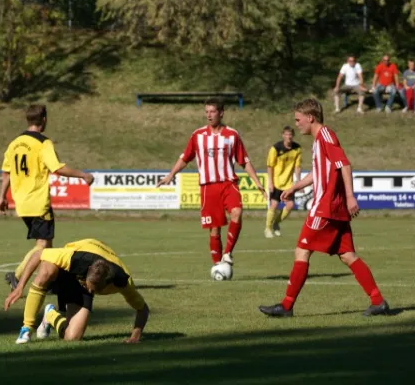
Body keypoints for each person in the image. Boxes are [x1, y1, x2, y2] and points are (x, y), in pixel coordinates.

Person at [258, 98, 389, 318]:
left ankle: (286, 305)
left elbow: (344, 164)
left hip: (326, 207)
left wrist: (349, 196)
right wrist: (295, 187)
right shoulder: (319, 141)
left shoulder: (326, 135)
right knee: (348, 255)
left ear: (310, 117)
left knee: (302, 250)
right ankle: (378, 301)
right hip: (333, 208)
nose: (297, 124)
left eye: (298, 120)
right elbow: (317, 173)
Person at [156, 98, 266, 273]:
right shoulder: (198, 135)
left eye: (212, 111)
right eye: (206, 111)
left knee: (237, 212)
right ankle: (217, 266)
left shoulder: (232, 135)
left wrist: (257, 182)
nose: (209, 115)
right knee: (214, 229)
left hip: (228, 183)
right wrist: (171, 175)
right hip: (208, 187)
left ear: (221, 113)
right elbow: (185, 157)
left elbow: (244, 161)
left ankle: (228, 253)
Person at [0, 104, 94, 291]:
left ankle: (48, 280)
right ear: (44, 119)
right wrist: (83, 175)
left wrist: (2, 197)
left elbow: (6, 173)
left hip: (21, 202)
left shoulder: (14, 143)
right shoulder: (43, 143)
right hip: (37, 201)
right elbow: (57, 168)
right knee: (43, 246)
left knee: (44, 244)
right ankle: (18, 276)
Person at [3, 238, 149, 344]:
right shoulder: (75, 259)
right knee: (47, 269)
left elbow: (143, 309)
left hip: (92, 270)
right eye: (86, 285)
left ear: (105, 285)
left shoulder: (123, 281)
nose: (87, 288)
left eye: (90, 289)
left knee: (72, 338)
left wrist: (135, 336)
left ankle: (50, 315)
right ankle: (26, 328)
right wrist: (20, 286)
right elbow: (39, 253)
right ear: (87, 273)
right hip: (72, 269)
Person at [264, 126, 302, 238]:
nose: (288, 137)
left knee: (290, 205)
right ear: (283, 135)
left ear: (293, 136)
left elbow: (297, 166)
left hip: (288, 184)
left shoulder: (297, 148)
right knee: (274, 205)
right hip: (276, 182)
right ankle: (268, 228)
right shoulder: (275, 148)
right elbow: (269, 166)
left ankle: (276, 223)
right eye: (286, 134)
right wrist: (270, 182)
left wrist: (298, 182)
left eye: (290, 135)